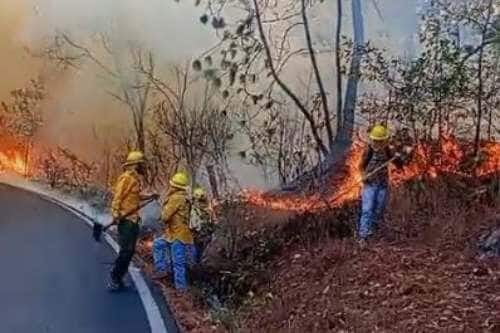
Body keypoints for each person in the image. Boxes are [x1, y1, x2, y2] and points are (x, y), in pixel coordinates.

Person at [108, 150, 158, 291]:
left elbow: (135, 197)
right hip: (126, 220)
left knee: (130, 252)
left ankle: (119, 278)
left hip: (133, 219)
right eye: (142, 164)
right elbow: (117, 197)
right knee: (126, 250)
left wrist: (150, 196)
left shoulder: (135, 179)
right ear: (136, 165)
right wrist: (115, 214)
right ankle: (114, 277)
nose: (144, 167)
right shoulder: (126, 178)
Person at [358, 125, 412, 245]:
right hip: (370, 184)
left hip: (383, 184)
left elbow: (398, 163)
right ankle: (364, 236)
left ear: (384, 140)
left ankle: (376, 232)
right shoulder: (369, 150)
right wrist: (363, 176)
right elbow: (361, 166)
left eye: (381, 141)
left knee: (379, 209)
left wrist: (400, 159)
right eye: (376, 141)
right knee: (367, 209)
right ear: (373, 140)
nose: (378, 143)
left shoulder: (388, 150)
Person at [152, 172, 196, 290]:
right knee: (158, 244)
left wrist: (163, 208)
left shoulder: (176, 198)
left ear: (175, 186)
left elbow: (165, 217)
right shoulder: (186, 197)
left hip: (178, 236)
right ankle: (163, 271)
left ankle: (181, 290)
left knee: (178, 263)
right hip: (176, 234)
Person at [189, 187, 215, 264]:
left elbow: (192, 225)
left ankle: (196, 268)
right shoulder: (209, 210)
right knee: (201, 254)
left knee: (196, 255)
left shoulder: (194, 210)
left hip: (197, 236)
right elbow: (213, 222)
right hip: (206, 236)